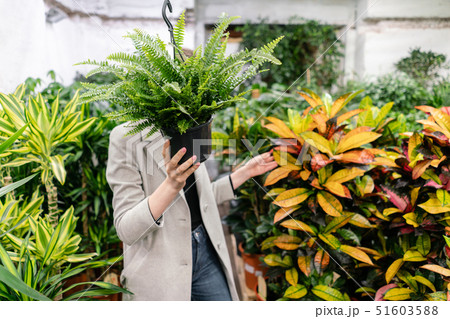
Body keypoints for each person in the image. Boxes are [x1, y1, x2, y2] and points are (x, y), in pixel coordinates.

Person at [106, 123, 277, 301]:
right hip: (162, 262)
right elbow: (126, 229)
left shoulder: (191, 121)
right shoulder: (126, 136)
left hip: (206, 252)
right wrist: (171, 185)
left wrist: (246, 172)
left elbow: (199, 201)